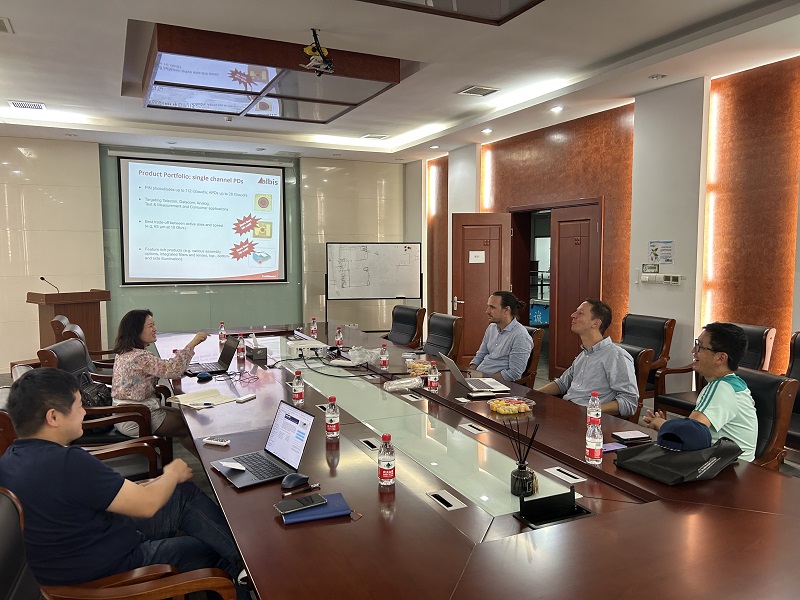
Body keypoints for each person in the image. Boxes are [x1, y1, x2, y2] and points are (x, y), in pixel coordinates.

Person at [0, 368, 249, 599]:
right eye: (78, 405)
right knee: (211, 549)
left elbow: (116, 495)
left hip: (83, 550)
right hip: (111, 569)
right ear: (53, 417)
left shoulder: (10, 460)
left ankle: (243, 563)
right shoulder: (69, 462)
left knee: (183, 494)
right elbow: (147, 505)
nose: (84, 412)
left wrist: (164, 483)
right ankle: (246, 570)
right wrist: (172, 473)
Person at [643, 322, 757, 462]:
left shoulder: (721, 388)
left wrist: (660, 424)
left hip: (727, 466)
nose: (693, 350)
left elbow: (690, 434)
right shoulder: (733, 383)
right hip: (730, 462)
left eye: (700, 347)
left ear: (720, 358)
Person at [111, 309, 207, 455]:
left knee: (187, 416)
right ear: (136, 330)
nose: (155, 329)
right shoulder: (140, 357)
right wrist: (193, 343)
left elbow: (166, 368)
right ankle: (209, 465)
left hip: (129, 412)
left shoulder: (127, 351)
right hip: (135, 417)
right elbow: (172, 370)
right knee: (189, 426)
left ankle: (205, 463)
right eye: (150, 326)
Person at [537, 299, 638, 417]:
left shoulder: (616, 356)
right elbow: (562, 384)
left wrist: (589, 411)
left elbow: (629, 403)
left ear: (595, 323)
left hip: (589, 419)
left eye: (580, 313)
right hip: (567, 411)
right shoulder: (584, 354)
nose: (573, 315)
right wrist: (531, 395)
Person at [468, 291, 533, 382]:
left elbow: (514, 374)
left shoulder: (521, 336)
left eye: (492, 307)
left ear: (506, 310)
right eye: (488, 306)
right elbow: (481, 354)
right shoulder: (492, 327)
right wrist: (469, 373)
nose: (487, 311)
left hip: (497, 384)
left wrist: (484, 380)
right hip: (480, 378)